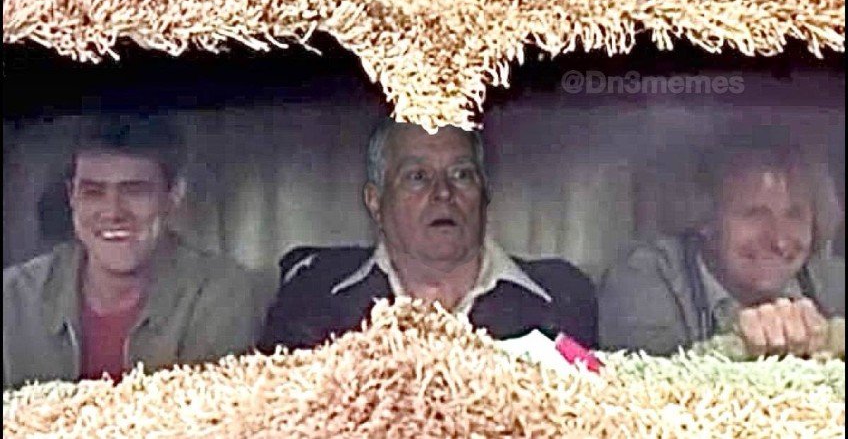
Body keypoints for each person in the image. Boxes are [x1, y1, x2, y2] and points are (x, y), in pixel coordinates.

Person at [260, 120, 597, 351]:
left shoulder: (561, 296)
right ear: (375, 201)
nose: (444, 193)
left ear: (485, 193)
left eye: (461, 174)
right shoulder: (312, 294)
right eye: (417, 176)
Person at [3, 116, 268, 390]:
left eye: (135, 191)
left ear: (174, 195)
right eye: (93, 192)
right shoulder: (12, 297)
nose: (113, 212)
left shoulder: (221, 292)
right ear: (72, 196)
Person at [598, 134, 845, 357]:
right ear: (705, 219)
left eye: (795, 214)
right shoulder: (642, 278)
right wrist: (742, 344)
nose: (779, 240)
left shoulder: (834, 282)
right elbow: (645, 379)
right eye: (755, 214)